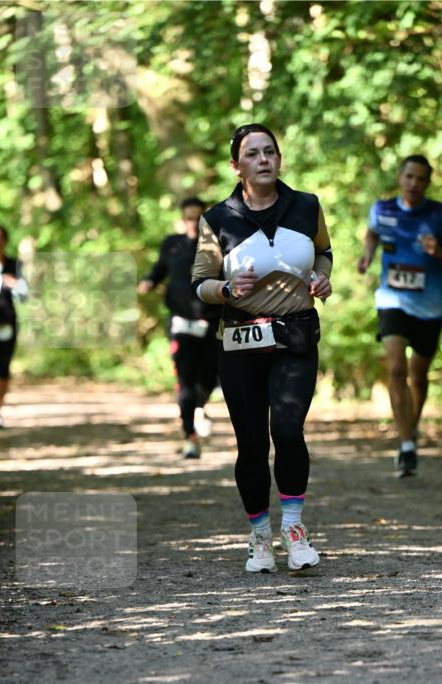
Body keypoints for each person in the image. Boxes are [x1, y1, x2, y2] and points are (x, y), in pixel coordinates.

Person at [191, 123, 332, 573]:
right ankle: (258, 537)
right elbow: (200, 284)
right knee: (251, 444)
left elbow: (325, 252)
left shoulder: (306, 205)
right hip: (239, 340)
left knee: (288, 431)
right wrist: (227, 289)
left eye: (270, 151)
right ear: (237, 166)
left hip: (294, 335)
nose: (264, 159)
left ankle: (294, 529)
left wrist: (323, 276)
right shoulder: (217, 219)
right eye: (253, 154)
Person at [358, 155, 442, 477]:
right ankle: (405, 445)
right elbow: (372, 233)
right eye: (410, 177)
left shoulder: (441, 214)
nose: (415, 184)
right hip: (392, 300)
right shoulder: (382, 209)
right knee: (396, 368)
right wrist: (367, 254)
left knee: (418, 376)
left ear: (428, 183)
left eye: (421, 179)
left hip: (429, 306)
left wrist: (439, 252)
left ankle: (409, 430)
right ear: (400, 177)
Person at [138, 197, 221, 458]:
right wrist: (149, 282)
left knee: (210, 377)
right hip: (180, 323)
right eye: (189, 217)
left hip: (210, 322)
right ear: (182, 218)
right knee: (185, 381)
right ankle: (190, 436)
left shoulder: (217, 245)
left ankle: (200, 405)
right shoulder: (171, 245)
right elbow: (159, 269)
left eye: (199, 218)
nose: (193, 223)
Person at [0, 224, 28, 429]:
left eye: (0, 238)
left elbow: (25, 295)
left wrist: (15, 284)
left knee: (3, 368)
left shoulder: (14, 265)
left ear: (5, 241)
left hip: (7, 322)